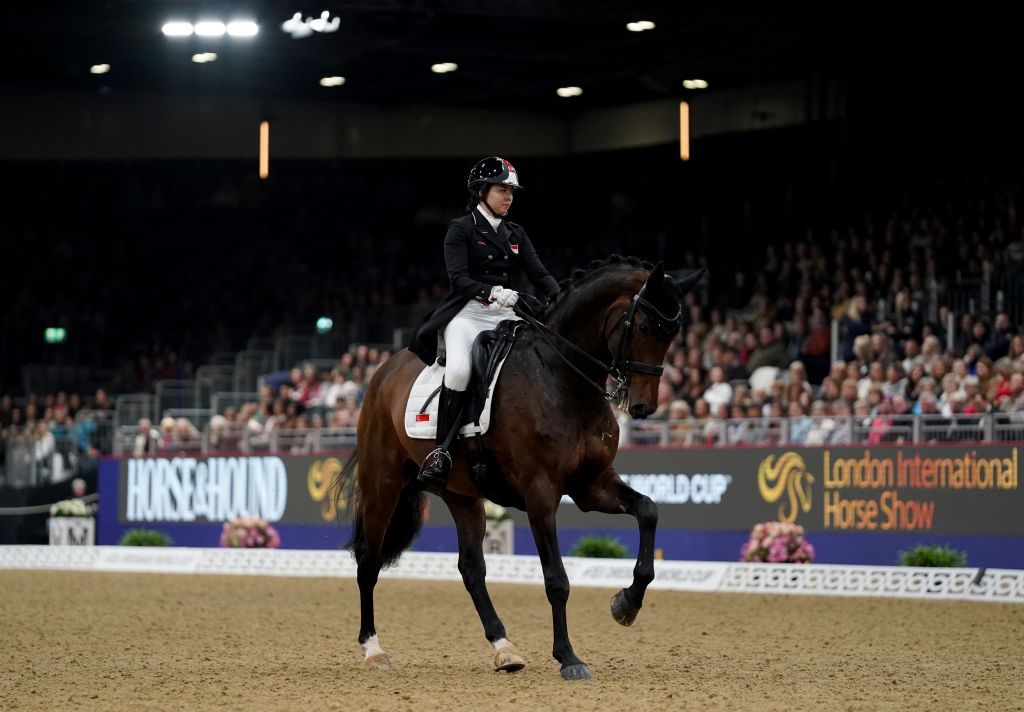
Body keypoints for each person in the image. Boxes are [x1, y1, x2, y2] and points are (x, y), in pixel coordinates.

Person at [409, 157, 560, 490]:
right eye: (502, 190)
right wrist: (492, 291)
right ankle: (442, 453)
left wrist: (563, 299)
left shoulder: (516, 233)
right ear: (481, 191)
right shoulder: (460, 228)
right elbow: (458, 279)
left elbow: (539, 274)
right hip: (467, 312)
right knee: (461, 370)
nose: (508, 197)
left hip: (506, 313)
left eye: (511, 192)